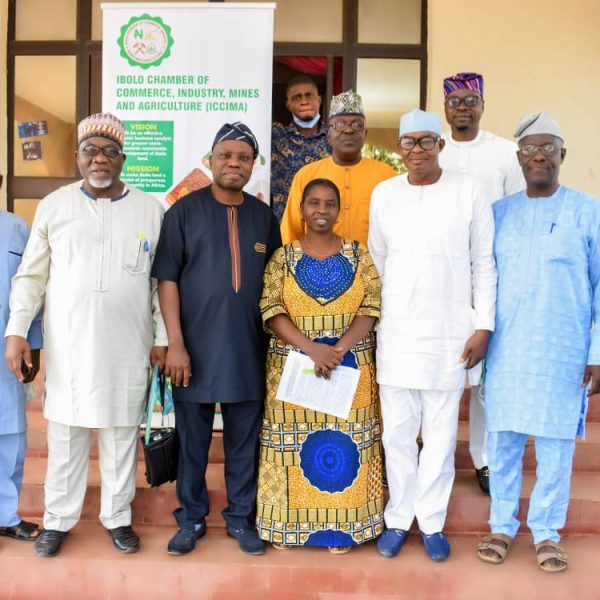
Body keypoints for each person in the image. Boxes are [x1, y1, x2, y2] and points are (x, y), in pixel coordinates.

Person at [4, 113, 167, 557]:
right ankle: (58, 521)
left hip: (128, 346)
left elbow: (160, 284)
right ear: (77, 156)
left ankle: (118, 518)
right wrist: (17, 330)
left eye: (110, 151)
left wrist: (163, 338)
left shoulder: (150, 210)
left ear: (123, 159)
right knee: (66, 437)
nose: (100, 158)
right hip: (70, 346)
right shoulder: (54, 206)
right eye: (91, 150)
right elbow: (31, 276)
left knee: (120, 437)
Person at [369, 109, 496, 562]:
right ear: (399, 148)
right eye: (409, 142)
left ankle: (432, 522)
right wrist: (373, 324)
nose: (417, 150)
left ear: (440, 145)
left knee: (440, 436)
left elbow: (483, 262)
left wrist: (484, 325)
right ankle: (398, 518)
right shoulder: (385, 194)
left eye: (426, 141)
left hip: (449, 334)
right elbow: (377, 262)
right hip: (397, 332)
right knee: (397, 435)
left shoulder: (469, 190)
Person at [476, 112, 600, 573]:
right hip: (508, 350)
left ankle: (546, 532)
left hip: (562, 350)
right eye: (530, 149)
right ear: (519, 158)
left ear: (562, 154)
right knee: (503, 442)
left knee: (555, 447)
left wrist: (597, 354)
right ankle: (501, 526)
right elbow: (482, 281)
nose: (539, 156)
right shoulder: (499, 214)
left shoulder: (588, 211)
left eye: (548, 148)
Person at [152, 122, 281, 557]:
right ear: (210, 161)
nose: (234, 163)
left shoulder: (264, 217)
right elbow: (167, 280)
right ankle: (191, 518)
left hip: (248, 352)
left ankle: (241, 518)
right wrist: (175, 343)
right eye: (225, 155)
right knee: (193, 444)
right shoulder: (183, 212)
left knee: (245, 443)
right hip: (194, 351)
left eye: (243, 157)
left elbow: (275, 286)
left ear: (253, 165)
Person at [256, 178, 383, 553]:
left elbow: (371, 306)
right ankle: (284, 528)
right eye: (314, 203)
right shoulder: (282, 258)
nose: (322, 210)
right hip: (293, 370)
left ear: (339, 210)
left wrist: (337, 350)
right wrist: (312, 350)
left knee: (346, 446)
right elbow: (271, 308)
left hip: (349, 369)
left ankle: (342, 531)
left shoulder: (360, 255)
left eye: (330, 203)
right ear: (301, 210)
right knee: (290, 448)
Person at [439, 72, 525, 494]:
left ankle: (485, 459)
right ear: (445, 108)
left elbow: (518, 210)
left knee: (486, 374)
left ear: (482, 105)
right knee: (442, 367)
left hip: (492, 271)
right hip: (442, 275)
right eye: (455, 101)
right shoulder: (433, 147)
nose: (463, 107)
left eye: (470, 100)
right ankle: (436, 453)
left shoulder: (504, 152)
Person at [280, 90, 395, 246]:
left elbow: (396, 228)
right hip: (316, 261)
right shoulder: (306, 175)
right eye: (340, 124)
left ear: (365, 134)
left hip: (371, 262)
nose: (349, 130)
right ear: (328, 135)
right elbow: (291, 231)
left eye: (357, 125)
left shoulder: (386, 175)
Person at [0, 172, 43, 543]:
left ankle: (6, 516)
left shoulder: (17, 228)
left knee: (11, 436)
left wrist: (36, 344)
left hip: (7, 351)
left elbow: (33, 287)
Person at [271, 74, 330, 222]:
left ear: (319, 100)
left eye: (309, 95)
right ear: (288, 104)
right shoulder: (277, 136)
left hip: (325, 223)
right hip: (286, 224)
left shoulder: (334, 138)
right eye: (297, 97)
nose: (304, 101)